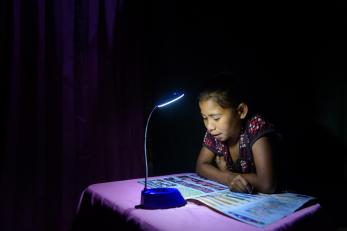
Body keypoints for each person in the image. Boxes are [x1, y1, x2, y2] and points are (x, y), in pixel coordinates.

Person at [196, 73, 280, 194]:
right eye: (204, 117)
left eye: (216, 118)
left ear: (241, 111)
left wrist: (225, 173)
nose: (209, 126)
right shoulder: (215, 132)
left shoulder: (255, 127)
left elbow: (267, 184)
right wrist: (228, 178)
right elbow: (201, 166)